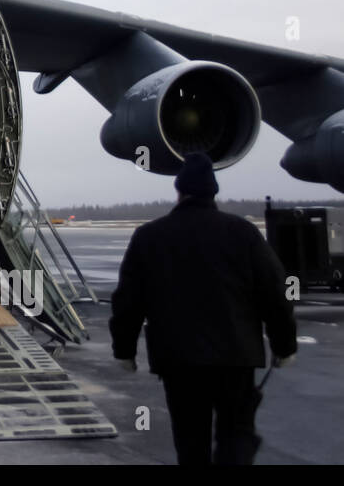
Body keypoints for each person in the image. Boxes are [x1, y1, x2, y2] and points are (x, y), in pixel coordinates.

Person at [110, 152, 297, 465]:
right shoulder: (244, 233)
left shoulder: (150, 236)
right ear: (213, 193)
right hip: (236, 359)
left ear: (179, 191)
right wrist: (284, 345)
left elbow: (128, 299)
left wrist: (124, 349)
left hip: (179, 361)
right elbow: (275, 295)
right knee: (236, 434)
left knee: (190, 439)